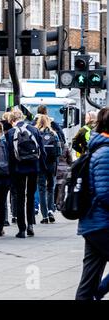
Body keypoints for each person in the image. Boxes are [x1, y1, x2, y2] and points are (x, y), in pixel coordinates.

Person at [76, 108, 109, 300]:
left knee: (89, 280)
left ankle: (95, 292)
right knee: (90, 282)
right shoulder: (105, 152)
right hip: (102, 222)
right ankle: (99, 290)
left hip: (93, 222)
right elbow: (105, 192)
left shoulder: (96, 148)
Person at [6, 109, 46, 238]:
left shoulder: (11, 132)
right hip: (33, 167)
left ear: (12, 120)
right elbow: (42, 150)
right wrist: (42, 167)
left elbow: (9, 154)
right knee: (30, 195)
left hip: (18, 168)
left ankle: (21, 228)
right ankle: (31, 225)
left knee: (19, 197)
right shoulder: (34, 130)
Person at [35, 115, 61, 224]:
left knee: (41, 189)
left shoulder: (36, 133)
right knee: (51, 188)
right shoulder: (54, 134)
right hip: (52, 165)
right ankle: (51, 211)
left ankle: (44, 216)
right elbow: (59, 151)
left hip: (41, 165)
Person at [55, 141, 73, 211]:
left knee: (52, 188)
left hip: (54, 168)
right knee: (61, 188)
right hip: (63, 170)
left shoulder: (51, 143)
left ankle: (52, 204)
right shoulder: (65, 147)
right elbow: (70, 160)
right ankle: (59, 203)